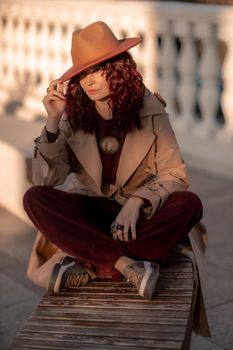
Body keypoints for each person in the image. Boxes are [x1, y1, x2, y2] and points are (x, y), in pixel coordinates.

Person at [23, 21, 203, 301]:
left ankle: (91, 264)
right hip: (91, 210)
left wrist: (137, 201)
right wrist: (52, 122)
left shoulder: (150, 109)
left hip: (135, 219)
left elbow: (175, 174)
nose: (89, 81)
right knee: (35, 198)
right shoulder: (72, 114)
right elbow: (46, 180)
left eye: (98, 70)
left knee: (190, 204)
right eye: (83, 74)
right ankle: (125, 265)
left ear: (118, 67)